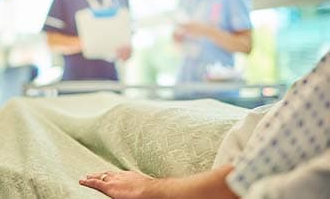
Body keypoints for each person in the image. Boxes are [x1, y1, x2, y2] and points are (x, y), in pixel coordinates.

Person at [79, 51, 330, 199]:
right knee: (123, 110)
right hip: (234, 120)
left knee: (124, 113)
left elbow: (239, 181)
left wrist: (149, 189)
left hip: (219, 136)